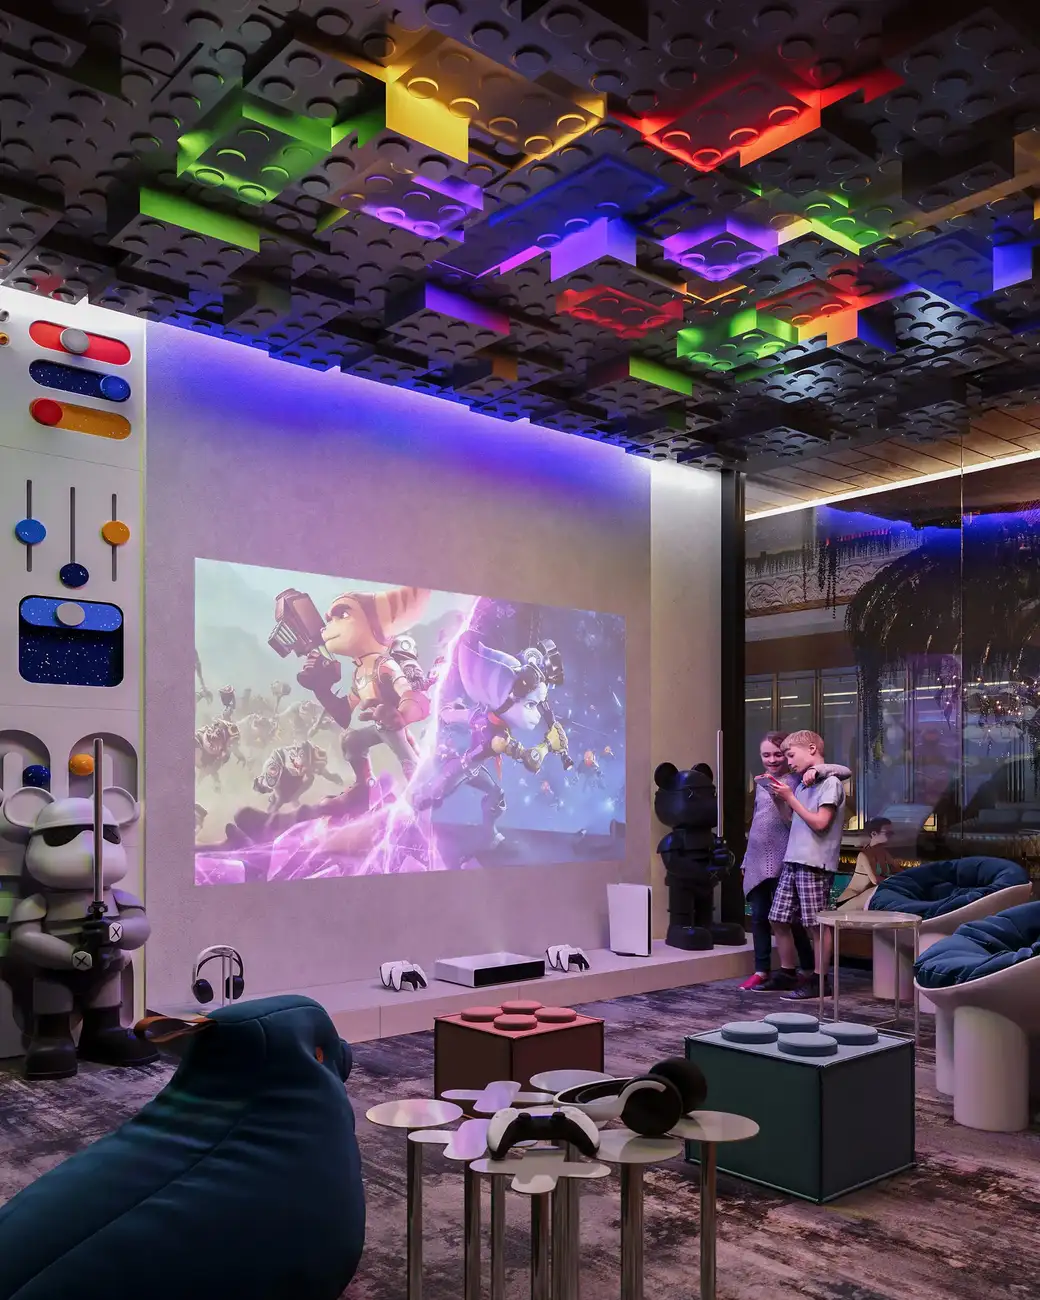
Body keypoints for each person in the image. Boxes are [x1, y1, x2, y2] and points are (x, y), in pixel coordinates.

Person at [739, 732, 851, 992]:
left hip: (813, 862)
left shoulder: (828, 783)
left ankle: (819, 980)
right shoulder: (802, 785)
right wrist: (781, 799)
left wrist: (790, 798)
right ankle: (787, 972)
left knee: (815, 924)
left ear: (811, 749)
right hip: (792, 860)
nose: (788, 762)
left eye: (789, 755)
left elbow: (820, 823)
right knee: (777, 918)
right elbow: (793, 820)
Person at [834, 816, 894, 910]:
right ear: (874, 833)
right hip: (849, 900)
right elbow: (875, 880)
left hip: (864, 897)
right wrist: (895, 880)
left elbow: (899, 871)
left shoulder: (884, 853)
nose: (891, 836)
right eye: (888, 833)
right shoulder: (864, 855)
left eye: (892, 833)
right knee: (883, 890)